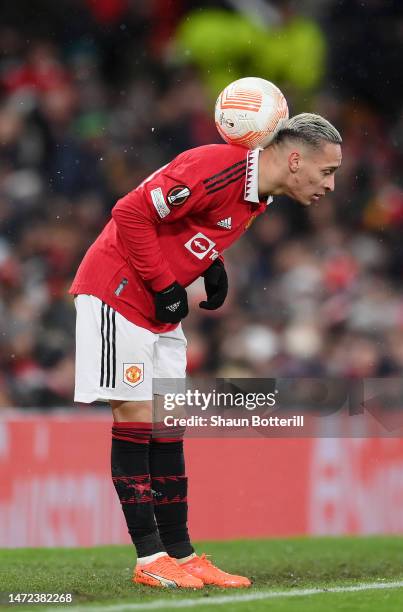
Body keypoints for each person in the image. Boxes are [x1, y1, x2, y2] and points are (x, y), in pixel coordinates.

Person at [69, 113, 342, 589]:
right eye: (327, 171)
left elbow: (188, 222)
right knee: (134, 415)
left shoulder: (259, 196)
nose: (332, 185)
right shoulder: (221, 165)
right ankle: (149, 556)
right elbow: (131, 212)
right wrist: (162, 283)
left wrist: (209, 263)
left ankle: (181, 552)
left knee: (167, 421)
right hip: (117, 292)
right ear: (295, 159)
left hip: (159, 309)